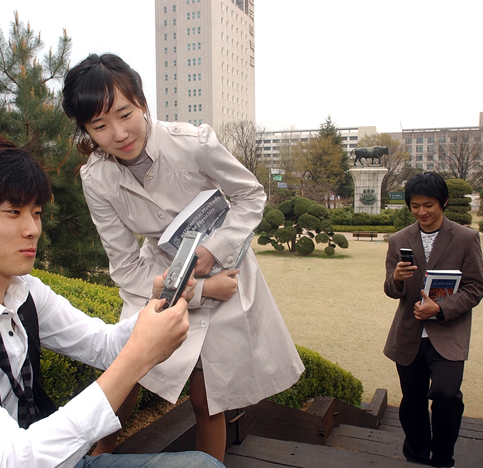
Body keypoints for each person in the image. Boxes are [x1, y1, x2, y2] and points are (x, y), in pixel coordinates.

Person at [0, 133, 225, 468]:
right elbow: (9, 460)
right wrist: (136, 359)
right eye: (13, 212)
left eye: (36, 212)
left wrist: (156, 308)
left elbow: (102, 345)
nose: (33, 229)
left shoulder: (23, 291)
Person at [61, 53, 304, 462]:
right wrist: (200, 288)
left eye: (125, 114)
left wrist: (214, 250)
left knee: (207, 396)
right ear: (86, 130)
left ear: (141, 102)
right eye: (100, 126)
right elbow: (124, 267)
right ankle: (95, 458)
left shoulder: (192, 143)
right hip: (159, 274)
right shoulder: (96, 178)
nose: (119, 134)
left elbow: (251, 195)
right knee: (125, 371)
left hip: (224, 262)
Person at [383, 172, 483, 468]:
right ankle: (415, 457)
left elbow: (475, 288)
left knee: (446, 395)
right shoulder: (399, 239)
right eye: (415, 206)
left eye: (428, 205)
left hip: (447, 334)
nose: (422, 212)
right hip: (408, 334)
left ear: (444, 202)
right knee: (412, 401)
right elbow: (391, 291)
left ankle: (442, 458)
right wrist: (397, 279)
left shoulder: (466, 238)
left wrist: (439, 309)